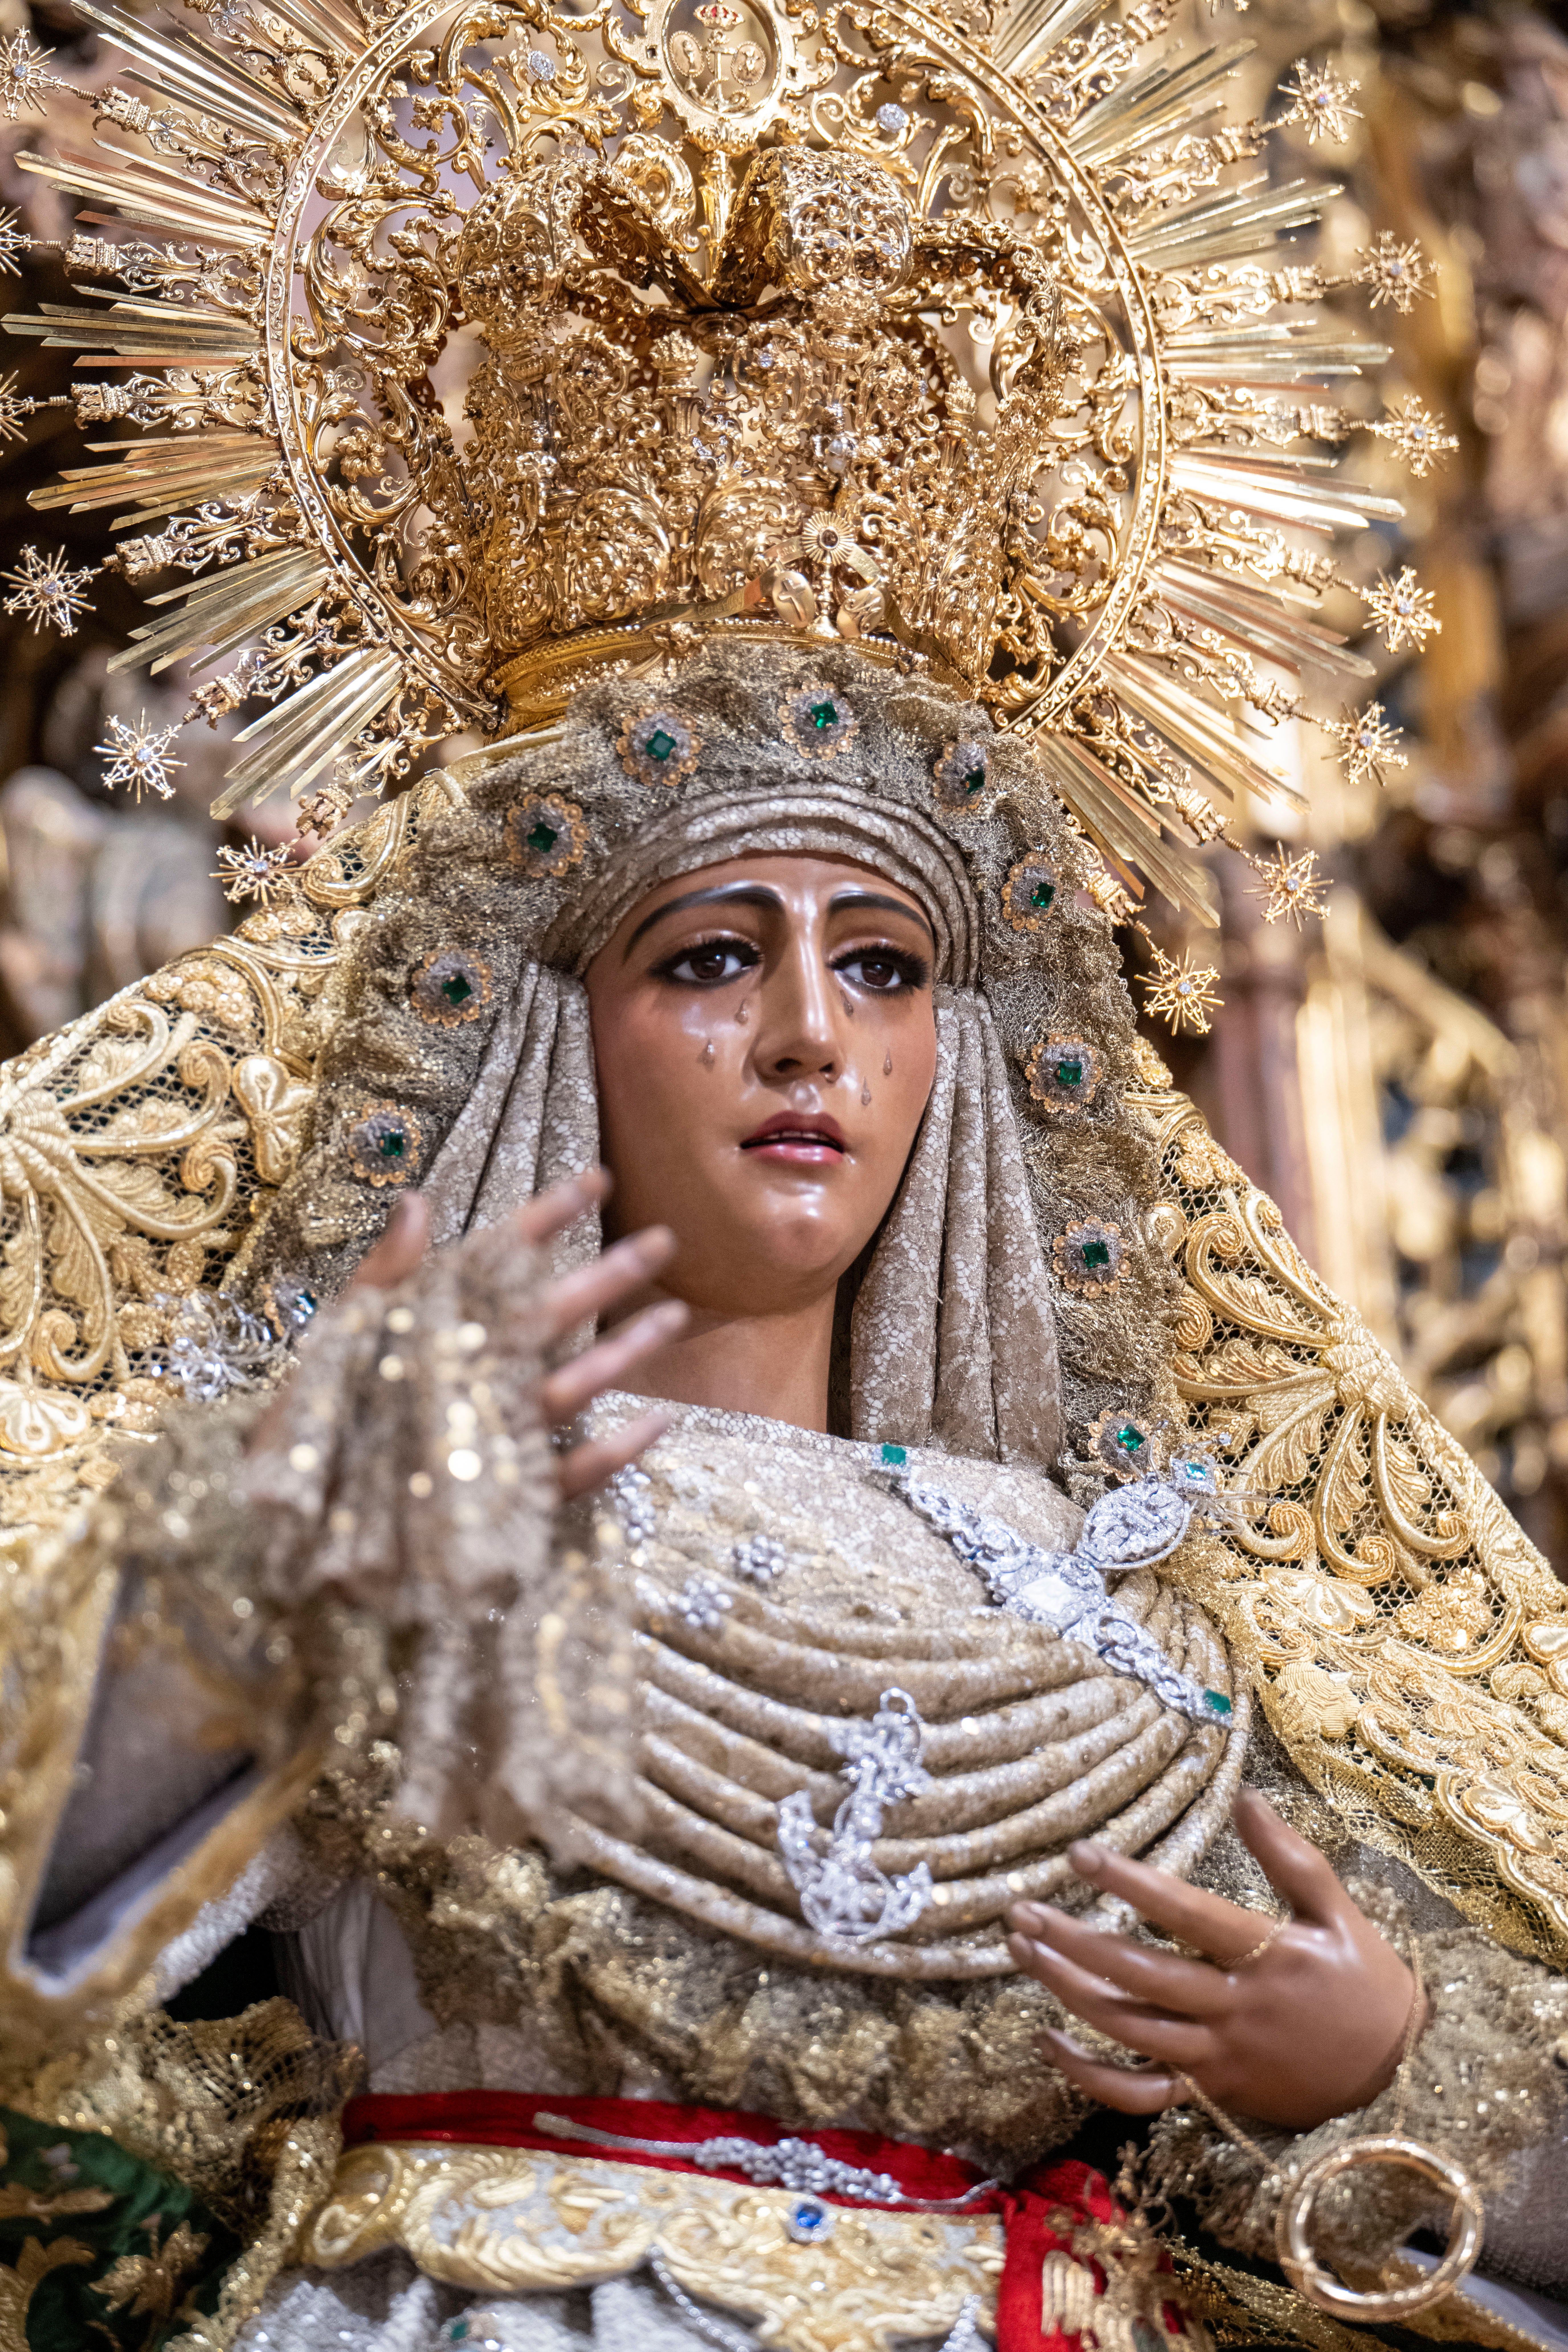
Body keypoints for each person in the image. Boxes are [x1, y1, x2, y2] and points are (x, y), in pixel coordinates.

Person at [3, 5, 1568, 2346]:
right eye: (713, 955)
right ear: (546, 1020)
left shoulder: (1119, 1616)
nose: (812, 1035)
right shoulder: (377, 1491)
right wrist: (243, 1596)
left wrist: (1376, 2073)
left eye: (887, 962)